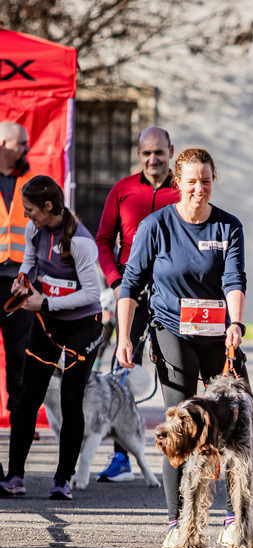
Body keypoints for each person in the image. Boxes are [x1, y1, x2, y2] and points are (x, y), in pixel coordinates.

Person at [115, 148, 249, 548]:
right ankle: (177, 521)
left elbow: (235, 280)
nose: (199, 189)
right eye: (191, 182)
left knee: (237, 423)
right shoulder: (156, 226)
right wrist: (124, 336)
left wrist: (236, 324)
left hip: (218, 334)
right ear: (178, 183)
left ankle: (232, 517)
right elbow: (131, 284)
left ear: (213, 181)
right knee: (183, 426)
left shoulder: (228, 226)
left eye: (205, 181)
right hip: (172, 329)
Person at [0, 176, 103, 499]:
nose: (26, 215)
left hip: (83, 326)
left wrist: (46, 302)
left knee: (71, 400)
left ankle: (63, 479)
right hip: (48, 323)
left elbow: (91, 293)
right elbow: (29, 263)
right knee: (28, 395)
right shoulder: (34, 229)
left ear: (48, 207)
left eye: (30, 210)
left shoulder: (81, 243)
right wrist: (22, 280)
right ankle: (15, 476)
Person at [94, 126, 179, 481]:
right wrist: (116, 283)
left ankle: (182, 450)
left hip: (173, 292)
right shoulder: (123, 190)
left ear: (171, 151)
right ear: (138, 153)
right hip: (131, 289)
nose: (153, 159)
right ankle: (121, 458)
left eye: (159, 152)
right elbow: (102, 240)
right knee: (123, 370)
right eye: (146, 153)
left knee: (176, 371)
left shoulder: (183, 190)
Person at [0, 121, 35, 419]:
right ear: (3, 145)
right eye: (21, 143)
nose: (27, 148)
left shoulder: (34, 182)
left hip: (21, 283)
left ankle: (21, 419)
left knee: (20, 355)